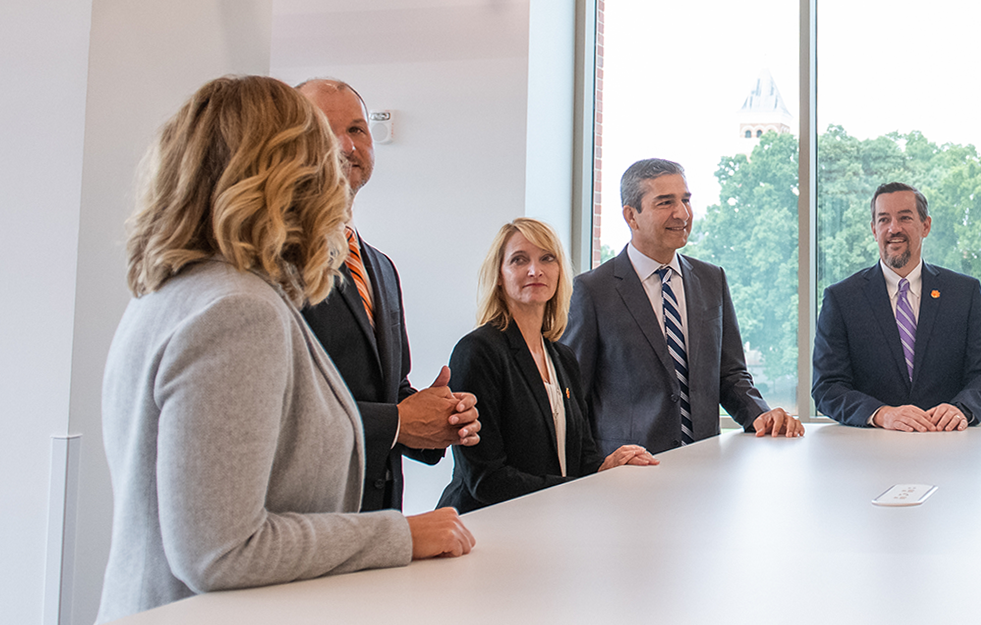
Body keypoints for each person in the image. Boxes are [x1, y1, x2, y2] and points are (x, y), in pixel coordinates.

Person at [99, 75, 474, 621]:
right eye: (321, 149)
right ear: (284, 172)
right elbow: (221, 551)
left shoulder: (183, 289)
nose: (340, 161)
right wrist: (401, 535)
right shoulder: (237, 309)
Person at [295, 78, 481, 511]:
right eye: (326, 130)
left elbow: (390, 391)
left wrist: (437, 418)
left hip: (378, 517)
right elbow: (285, 413)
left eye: (357, 130)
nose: (346, 145)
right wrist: (400, 421)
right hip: (306, 521)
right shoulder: (276, 261)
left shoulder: (379, 266)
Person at [563, 158, 804, 455]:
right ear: (631, 216)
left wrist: (760, 415)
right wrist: (591, 467)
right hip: (627, 474)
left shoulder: (711, 279)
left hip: (703, 465)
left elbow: (730, 374)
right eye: (665, 203)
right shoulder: (591, 290)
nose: (683, 214)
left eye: (685, 200)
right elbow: (573, 395)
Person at [438, 219, 659, 513]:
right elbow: (486, 480)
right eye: (519, 260)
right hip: (483, 527)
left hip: (549, 521)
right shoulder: (478, 351)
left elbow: (581, 458)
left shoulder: (563, 358)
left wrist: (610, 465)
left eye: (547, 258)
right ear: (500, 275)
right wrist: (578, 488)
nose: (535, 270)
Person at [812, 183, 981, 431]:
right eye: (884, 220)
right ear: (874, 230)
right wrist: (881, 414)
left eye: (904, 217)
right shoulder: (841, 299)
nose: (894, 228)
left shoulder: (963, 293)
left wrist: (962, 408)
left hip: (949, 447)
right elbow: (827, 386)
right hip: (869, 452)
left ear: (925, 226)